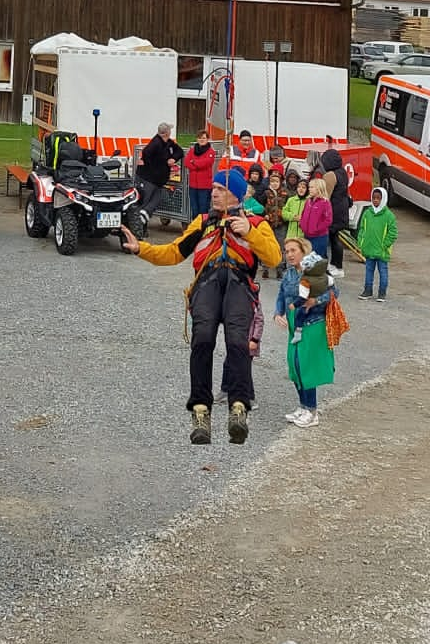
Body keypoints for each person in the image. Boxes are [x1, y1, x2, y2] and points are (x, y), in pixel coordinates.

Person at [122, 180, 281, 446]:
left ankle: (239, 408)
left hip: (239, 285)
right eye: (214, 188)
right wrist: (142, 249)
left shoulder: (255, 222)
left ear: (235, 193)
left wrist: (250, 233)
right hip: (207, 284)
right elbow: (175, 252)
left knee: (237, 341)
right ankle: (200, 411)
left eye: (221, 188)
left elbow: (274, 258)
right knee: (203, 338)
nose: (214, 193)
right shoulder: (203, 222)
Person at [279, 250, 337, 427]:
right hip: (294, 322)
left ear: (303, 253)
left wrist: (316, 301)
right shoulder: (288, 274)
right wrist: (277, 312)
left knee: (306, 368)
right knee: (295, 366)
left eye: (293, 251)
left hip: (313, 324)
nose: (289, 254)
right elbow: (282, 295)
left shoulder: (318, 273)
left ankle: (312, 410)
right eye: (286, 251)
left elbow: (334, 294)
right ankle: (303, 407)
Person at [357, 186, 397, 300]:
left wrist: (384, 245)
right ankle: (367, 290)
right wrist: (361, 242)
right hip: (369, 249)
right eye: (374, 198)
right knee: (368, 271)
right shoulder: (367, 213)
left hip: (382, 252)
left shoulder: (389, 216)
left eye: (378, 198)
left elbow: (393, 233)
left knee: (383, 272)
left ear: (383, 199)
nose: (375, 200)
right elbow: (362, 229)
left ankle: (382, 292)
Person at [138, 122, 183, 222]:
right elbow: (146, 153)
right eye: (170, 130)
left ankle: (145, 213)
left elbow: (179, 151)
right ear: (167, 133)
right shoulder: (156, 143)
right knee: (146, 200)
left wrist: (173, 159)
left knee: (157, 199)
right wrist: (152, 168)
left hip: (159, 181)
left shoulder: (169, 143)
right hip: (149, 180)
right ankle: (140, 226)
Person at [298, 179, 334, 259]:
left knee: (316, 261)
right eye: (309, 187)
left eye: (312, 187)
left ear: (319, 188)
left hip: (319, 237)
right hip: (307, 235)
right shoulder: (308, 201)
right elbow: (303, 214)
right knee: (306, 259)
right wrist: (301, 224)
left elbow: (328, 220)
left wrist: (316, 229)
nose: (309, 189)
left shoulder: (325, 202)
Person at [185, 137, 216, 218]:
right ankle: (195, 228)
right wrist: (197, 165)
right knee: (194, 210)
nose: (202, 140)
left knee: (203, 210)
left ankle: (203, 228)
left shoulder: (211, 152)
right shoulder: (192, 150)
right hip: (193, 185)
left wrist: (194, 162)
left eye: (204, 138)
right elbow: (187, 162)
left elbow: (207, 163)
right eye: (200, 138)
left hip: (205, 186)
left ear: (207, 139)